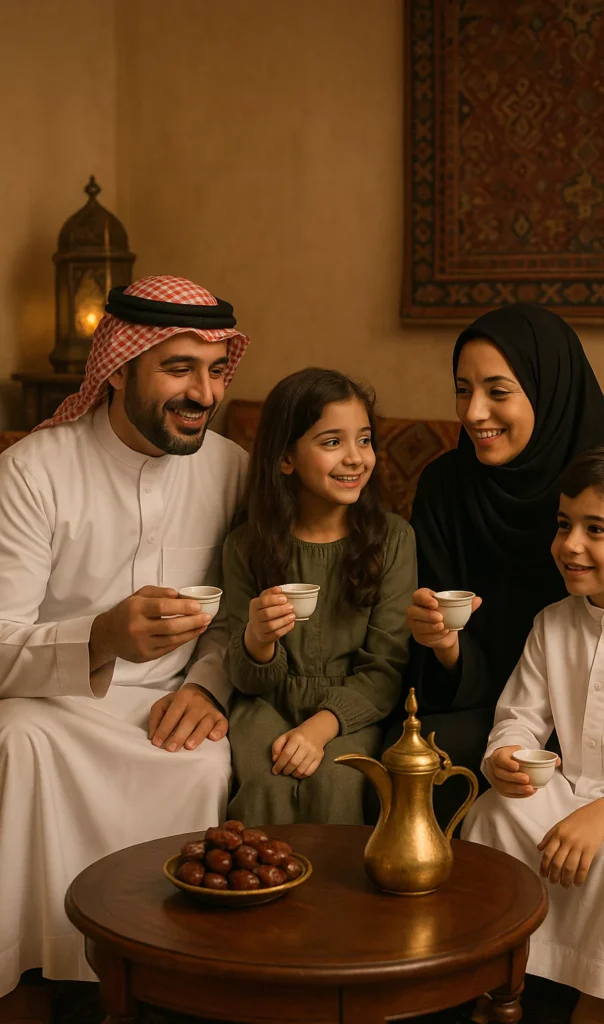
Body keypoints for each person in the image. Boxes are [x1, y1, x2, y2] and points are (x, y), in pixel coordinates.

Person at [0, 275, 249, 999]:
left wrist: (209, 683)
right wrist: (101, 636)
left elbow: (243, 609)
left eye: (213, 370)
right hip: (53, 703)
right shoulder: (32, 473)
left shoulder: (233, 470)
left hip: (172, 703)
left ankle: (169, 978)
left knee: (200, 766)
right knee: (18, 742)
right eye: (178, 369)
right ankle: (29, 975)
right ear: (117, 370)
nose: (203, 393)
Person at [404, 304, 604, 824]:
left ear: (548, 390)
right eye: (463, 389)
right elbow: (435, 660)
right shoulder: (445, 486)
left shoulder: (602, 488)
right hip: (493, 707)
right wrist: (442, 642)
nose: (474, 412)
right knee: (429, 759)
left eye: (498, 391)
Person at [462, 441, 604, 1024]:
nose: (570, 545)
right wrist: (507, 755)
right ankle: (498, 971)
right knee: (490, 815)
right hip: (565, 789)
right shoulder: (552, 623)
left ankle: (596, 1001)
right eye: (564, 525)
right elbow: (519, 716)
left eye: (595, 529)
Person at [223, 368, 416, 825]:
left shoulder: (393, 540)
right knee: (266, 781)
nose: (355, 458)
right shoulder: (245, 546)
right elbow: (246, 677)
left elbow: (386, 668)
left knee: (338, 781)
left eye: (364, 440)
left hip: (353, 712)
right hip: (264, 707)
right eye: (332, 442)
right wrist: (258, 640)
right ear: (286, 457)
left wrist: (319, 727)